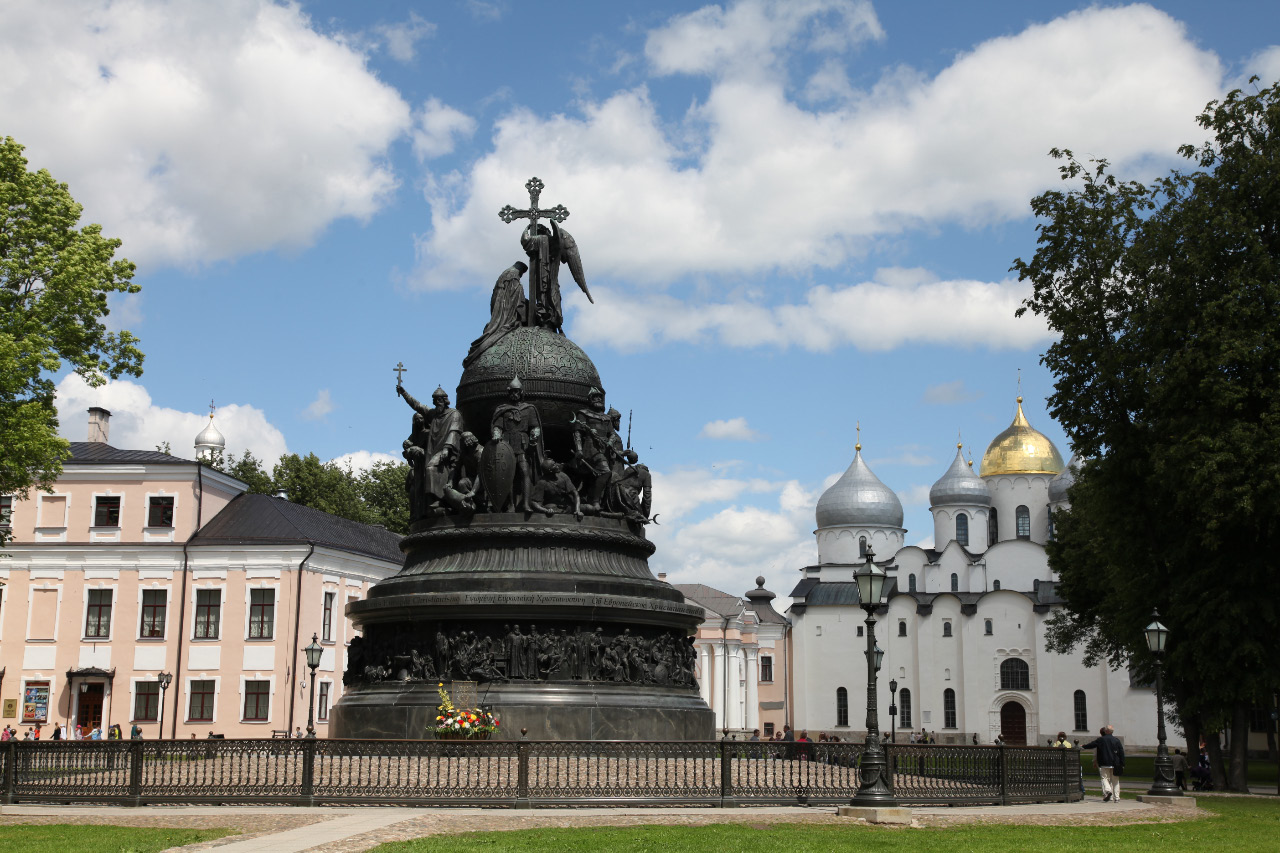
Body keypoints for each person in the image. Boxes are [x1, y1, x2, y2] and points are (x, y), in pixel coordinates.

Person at [1081, 725, 1125, 802]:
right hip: (1115, 763)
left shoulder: (1101, 740)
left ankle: (1108, 791)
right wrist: (1122, 763)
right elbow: (1121, 752)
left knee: (1105, 778)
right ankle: (1117, 797)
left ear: (1106, 731)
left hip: (1104, 762)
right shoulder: (1116, 740)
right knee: (1115, 780)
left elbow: (1092, 745)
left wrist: (1083, 746)